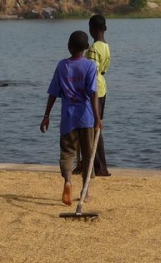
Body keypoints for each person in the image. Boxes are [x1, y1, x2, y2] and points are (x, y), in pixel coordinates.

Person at [40, 31, 102, 206]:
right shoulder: (90, 66)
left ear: (69, 46)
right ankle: (85, 190)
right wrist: (98, 118)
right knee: (88, 154)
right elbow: (93, 94)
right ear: (86, 48)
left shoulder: (62, 66)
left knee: (67, 152)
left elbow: (53, 93)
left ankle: (68, 181)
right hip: (86, 117)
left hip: (68, 117)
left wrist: (46, 115)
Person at [73, 15, 112, 176]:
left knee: (90, 127)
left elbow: (92, 71)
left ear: (93, 29)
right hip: (102, 88)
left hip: (93, 90)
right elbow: (103, 70)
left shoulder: (94, 48)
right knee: (95, 127)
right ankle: (96, 165)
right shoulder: (106, 46)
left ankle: (97, 166)